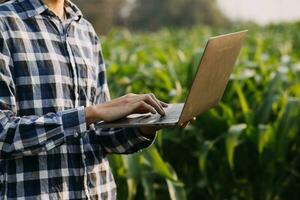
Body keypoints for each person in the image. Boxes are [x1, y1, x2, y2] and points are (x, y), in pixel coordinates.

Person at [0, 0, 192, 199]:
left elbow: (101, 137)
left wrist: (146, 126)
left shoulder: (85, 30)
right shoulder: (4, 24)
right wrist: (88, 114)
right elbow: (3, 135)